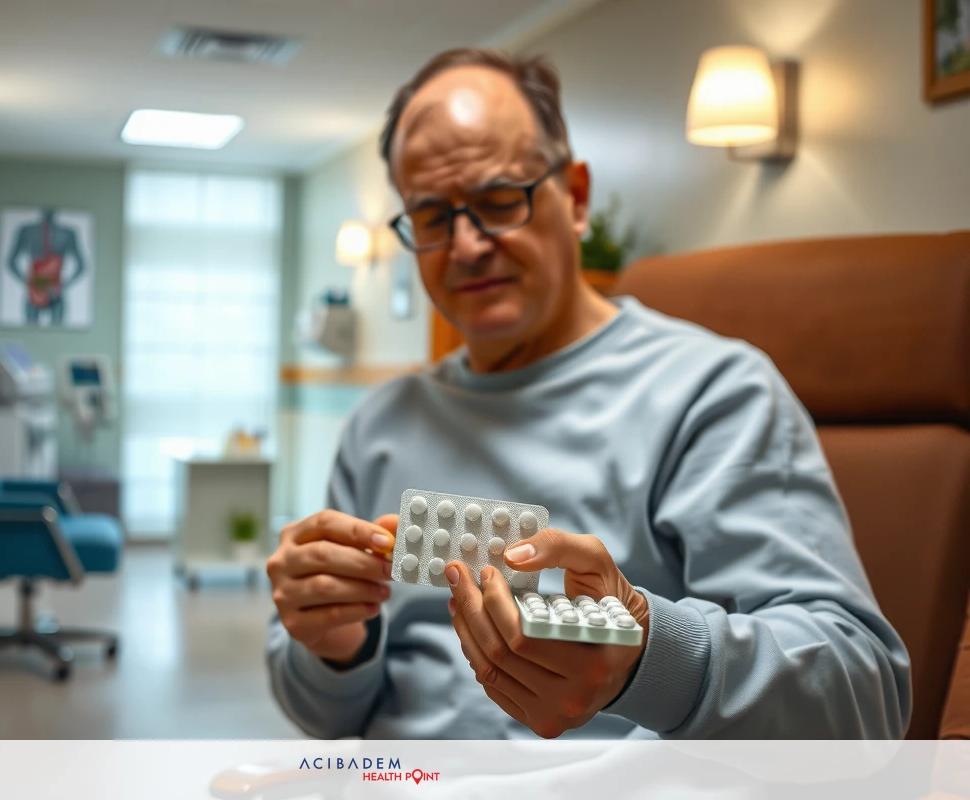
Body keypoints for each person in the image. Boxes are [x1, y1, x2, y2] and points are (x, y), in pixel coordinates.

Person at [265, 48, 910, 739]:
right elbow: (325, 718)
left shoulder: (713, 395)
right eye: (431, 216)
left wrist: (645, 658)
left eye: (497, 201)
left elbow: (863, 699)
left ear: (574, 197)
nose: (467, 245)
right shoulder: (380, 424)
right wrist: (334, 647)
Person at [6, 207, 88, 326]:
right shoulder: (26, 230)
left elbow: (81, 265)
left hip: (56, 288)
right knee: (30, 331)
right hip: (34, 289)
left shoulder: (68, 233)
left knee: (59, 334)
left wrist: (65, 285)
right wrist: (28, 282)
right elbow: (11, 261)